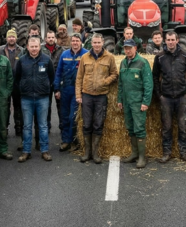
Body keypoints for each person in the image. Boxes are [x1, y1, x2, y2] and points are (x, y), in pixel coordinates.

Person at [152, 31, 186, 163]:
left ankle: (184, 152)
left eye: (173, 40)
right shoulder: (159, 57)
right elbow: (154, 76)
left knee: (183, 126)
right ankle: (167, 153)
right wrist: (159, 95)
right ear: (165, 41)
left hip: (182, 97)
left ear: (177, 40)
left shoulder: (185, 56)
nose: (170, 42)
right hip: (166, 98)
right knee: (167, 127)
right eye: (168, 40)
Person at [75, 33, 118, 164]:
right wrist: (78, 95)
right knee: (87, 124)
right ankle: (87, 153)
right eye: (94, 43)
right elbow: (79, 78)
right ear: (91, 43)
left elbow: (115, 73)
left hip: (101, 96)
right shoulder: (84, 57)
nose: (97, 45)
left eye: (99, 42)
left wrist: (105, 81)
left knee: (98, 124)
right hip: (87, 94)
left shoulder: (109, 57)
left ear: (103, 42)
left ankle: (95, 153)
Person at [14, 37, 55, 162]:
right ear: (27, 47)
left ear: (40, 46)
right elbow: (17, 78)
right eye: (31, 46)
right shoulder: (21, 61)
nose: (34, 49)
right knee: (26, 126)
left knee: (43, 126)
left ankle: (44, 151)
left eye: (36, 46)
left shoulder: (47, 60)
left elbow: (51, 77)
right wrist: (23, 89)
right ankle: (26, 152)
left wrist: (45, 88)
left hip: (42, 98)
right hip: (26, 98)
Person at [118, 39, 153, 169]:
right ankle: (134, 153)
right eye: (125, 48)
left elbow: (148, 85)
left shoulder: (142, 63)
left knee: (139, 128)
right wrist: (119, 99)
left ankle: (142, 157)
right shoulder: (122, 63)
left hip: (138, 102)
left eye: (129, 48)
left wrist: (145, 102)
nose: (127, 50)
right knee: (130, 127)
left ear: (135, 48)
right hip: (127, 101)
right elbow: (120, 84)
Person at [54, 33, 88, 152]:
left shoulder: (86, 54)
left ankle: (74, 141)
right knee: (64, 116)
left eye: (77, 41)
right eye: (73, 41)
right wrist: (57, 89)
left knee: (73, 117)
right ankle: (65, 141)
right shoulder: (64, 54)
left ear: (81, 42)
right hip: (65, 90)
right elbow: (58, 73)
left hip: (78, 90)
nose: (75, 43)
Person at [0, 29, 24, 136]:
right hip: (4, 83)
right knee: (5, 107)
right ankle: (4, 128)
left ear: (16, 38)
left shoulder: (22, 50)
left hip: (17, 83)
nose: (11, 38)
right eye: (9, 37)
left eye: (13, 37)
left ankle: (19, 127)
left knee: (18, 106)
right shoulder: (1, 50)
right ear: (6, 38)